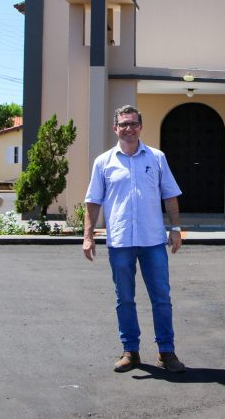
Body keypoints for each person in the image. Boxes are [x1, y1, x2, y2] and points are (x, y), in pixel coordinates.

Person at [83, 104, 186, 373]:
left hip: (152, 241)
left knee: (161, 298)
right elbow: (92, 201)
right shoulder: (103, 162)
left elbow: (170, 195)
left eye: (133, 123)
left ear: (141, 127)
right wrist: (88, 236)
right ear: (115, 128)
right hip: (119, 242)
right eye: (123, 124)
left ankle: (167, 352)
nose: (129, 128)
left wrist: (176, 228)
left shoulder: (157, 158)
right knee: (124, 299)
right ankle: (131, 351)